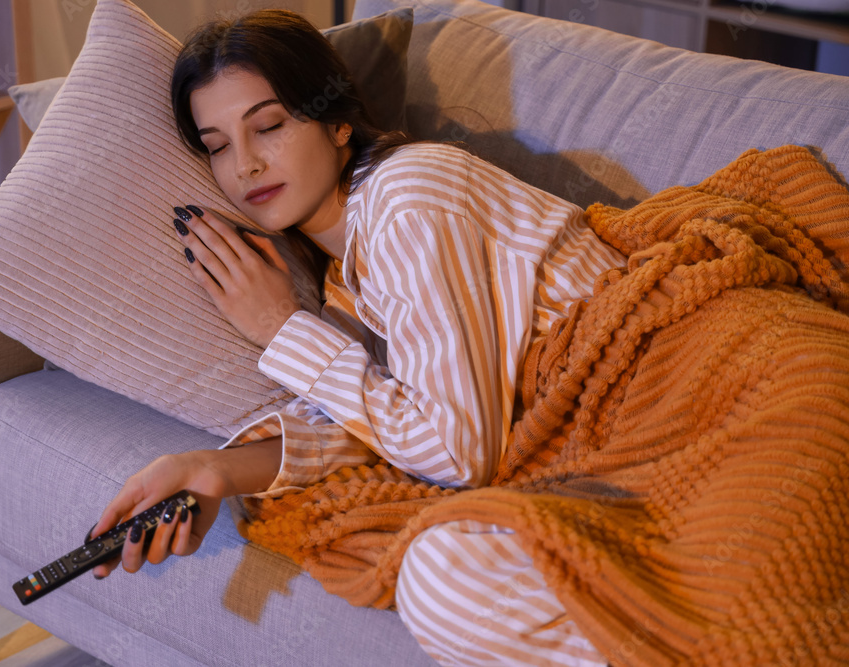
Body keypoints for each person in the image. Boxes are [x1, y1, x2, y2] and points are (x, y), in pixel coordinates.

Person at [87, 8, 625, 665]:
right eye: (218, 145)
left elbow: (456, 451)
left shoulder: (407, 197)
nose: (246, 165)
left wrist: (281, 326)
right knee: (448, 567)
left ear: (338, 122)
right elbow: (380, 423)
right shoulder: (345, 278)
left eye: (269, 125)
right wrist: (212, 470)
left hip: (659, 394)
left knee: (442, 576)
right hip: (593, 450)